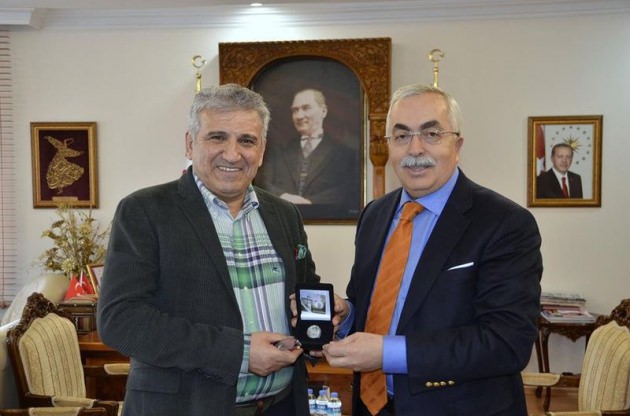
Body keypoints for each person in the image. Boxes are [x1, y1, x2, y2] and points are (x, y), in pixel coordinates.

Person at [98, 84, 331, 416]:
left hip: (281, 406)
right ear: (190, 143)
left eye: (246, 141)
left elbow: (303, 291)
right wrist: (240, 353)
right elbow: (121, 320)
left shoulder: (284, 214)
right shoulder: (145, 211)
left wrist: (324, 317)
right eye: (217, 137)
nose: (232, 154)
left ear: (262, 150)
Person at [321, 84, 543, 415]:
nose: (415, 148)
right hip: (373, 406)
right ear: (388, 146)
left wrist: (387, 353)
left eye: (431, 134)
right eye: (401, 136)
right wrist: (347, 315)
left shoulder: (505, 222)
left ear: (458, 145)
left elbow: (506, 343)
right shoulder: (374, 215)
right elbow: (373, 309)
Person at [254, 88, 360, 218]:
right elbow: (263, 183)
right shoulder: (279, 151)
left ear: (323, 111)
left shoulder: (344, 153)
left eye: (306, 108)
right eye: (295, 110)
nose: (299, 116)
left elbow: (346, 190)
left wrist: (310, 202)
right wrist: (284, 196)